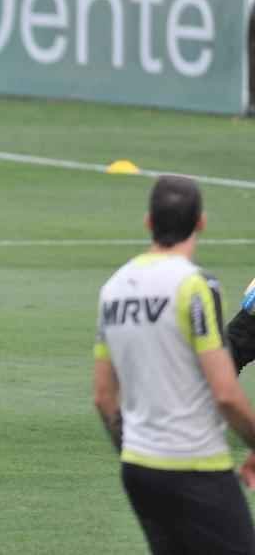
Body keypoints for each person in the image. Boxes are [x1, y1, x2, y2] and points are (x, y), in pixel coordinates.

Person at [93, 174, 255, 554]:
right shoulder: (196, 286)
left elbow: (103, 396)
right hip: (196, 466)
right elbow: (225, 393)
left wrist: (133, 450)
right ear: (201, 222)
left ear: (148, 221)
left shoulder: (114, 287)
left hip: (138, 469)